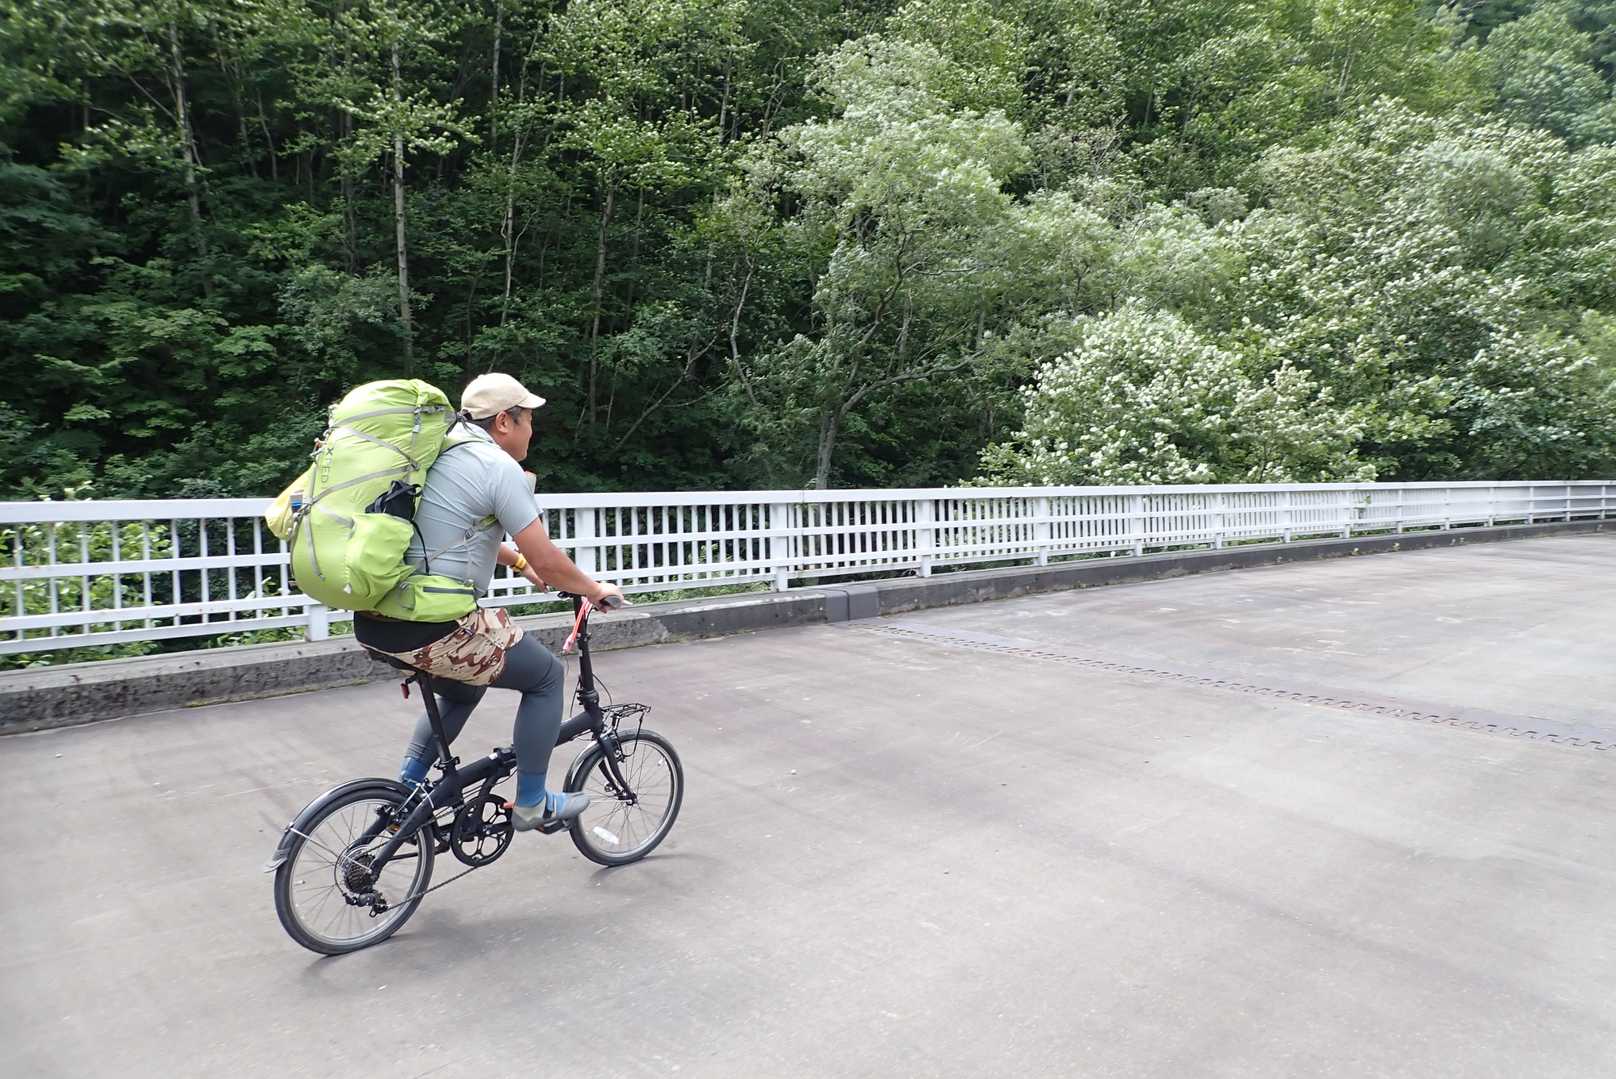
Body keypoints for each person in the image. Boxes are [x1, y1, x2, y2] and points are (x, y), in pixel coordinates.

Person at [354, 372, 626, 830]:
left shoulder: (434, 456)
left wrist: (519, 564)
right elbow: (549, 559)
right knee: (546, 676)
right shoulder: (497, 467)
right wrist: (594, 589)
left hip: (376, 621)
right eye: (528, 420)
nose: (532, 431)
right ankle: (533, 803)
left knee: (466, 686)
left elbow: (455, 534)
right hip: (433, 627)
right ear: (503, 421)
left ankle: (408, 791)